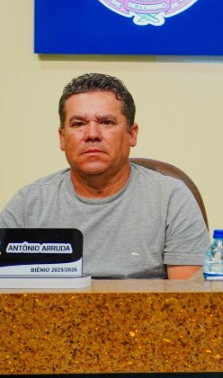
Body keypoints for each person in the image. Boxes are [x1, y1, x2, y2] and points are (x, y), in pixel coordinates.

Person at [0, 73, 209, 279]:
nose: (92, 134)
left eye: (106, 122)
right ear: (62, 138)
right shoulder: (29, 205)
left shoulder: (171, 199)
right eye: (78, 124)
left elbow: (187, 297)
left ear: (132, 134)